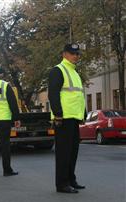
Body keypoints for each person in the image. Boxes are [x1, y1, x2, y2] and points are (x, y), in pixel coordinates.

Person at [48, 43, 86, 193]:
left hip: (74, 117)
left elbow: (79, 96)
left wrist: (82, 114)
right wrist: (57, 114)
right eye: (72, 53)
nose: (75, 56)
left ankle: (71, 180)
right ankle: (62, 184)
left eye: (77, 54)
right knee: (64, 152)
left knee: (73, 151)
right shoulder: (58, 70)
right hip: (63, 118)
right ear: (64, 54)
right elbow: (53, 94)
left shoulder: (75, 73)